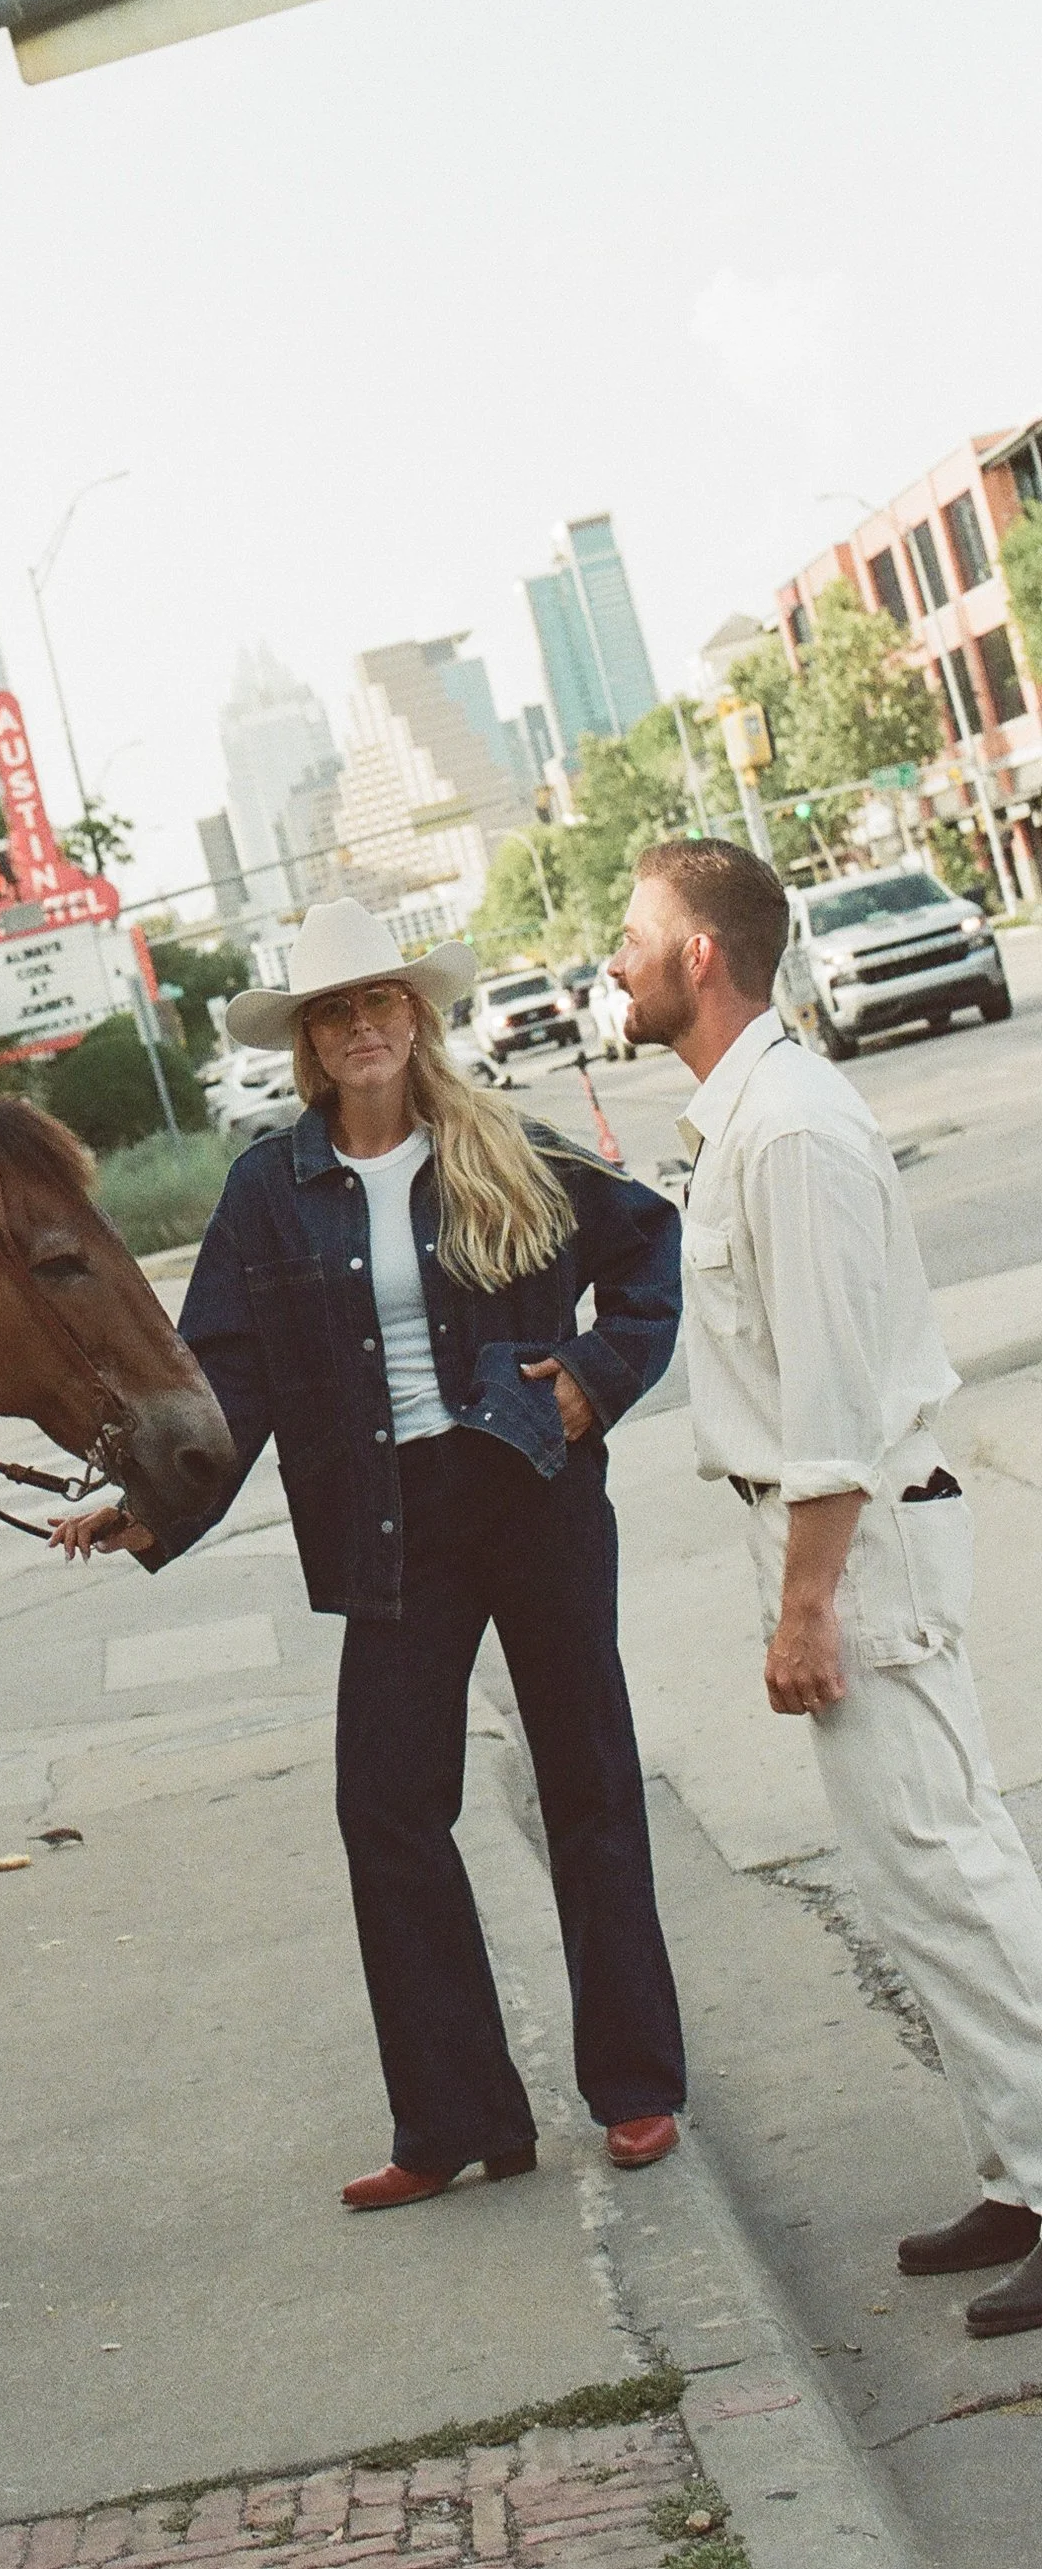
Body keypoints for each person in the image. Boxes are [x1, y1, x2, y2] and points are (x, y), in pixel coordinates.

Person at [54, 898, 687, 2206]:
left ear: (416, 1015)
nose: (359, 1028)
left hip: (531, 1483)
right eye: (332, 1012)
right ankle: (458, 2119)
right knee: (387, 1809)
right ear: (309, 1042)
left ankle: (633, 2089)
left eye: (379, 1002)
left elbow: (648, 1252)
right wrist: (153, 1507)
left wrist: (591, 1379)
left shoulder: (500, 1141)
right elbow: (222, 1381)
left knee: (589, 1784)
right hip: (392, 1517)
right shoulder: (266, 1193)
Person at [609, 837, 1042, 2341]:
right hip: (836, 1541)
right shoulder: (748, 1116)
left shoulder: (787, 1129)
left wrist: (805, 1606)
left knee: (951, 1871)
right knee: (923, 1869)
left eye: (632, 934)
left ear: (703, 958)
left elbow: (838, 1400)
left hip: (855, 1548)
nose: (614, 960)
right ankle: (1017, 2167)